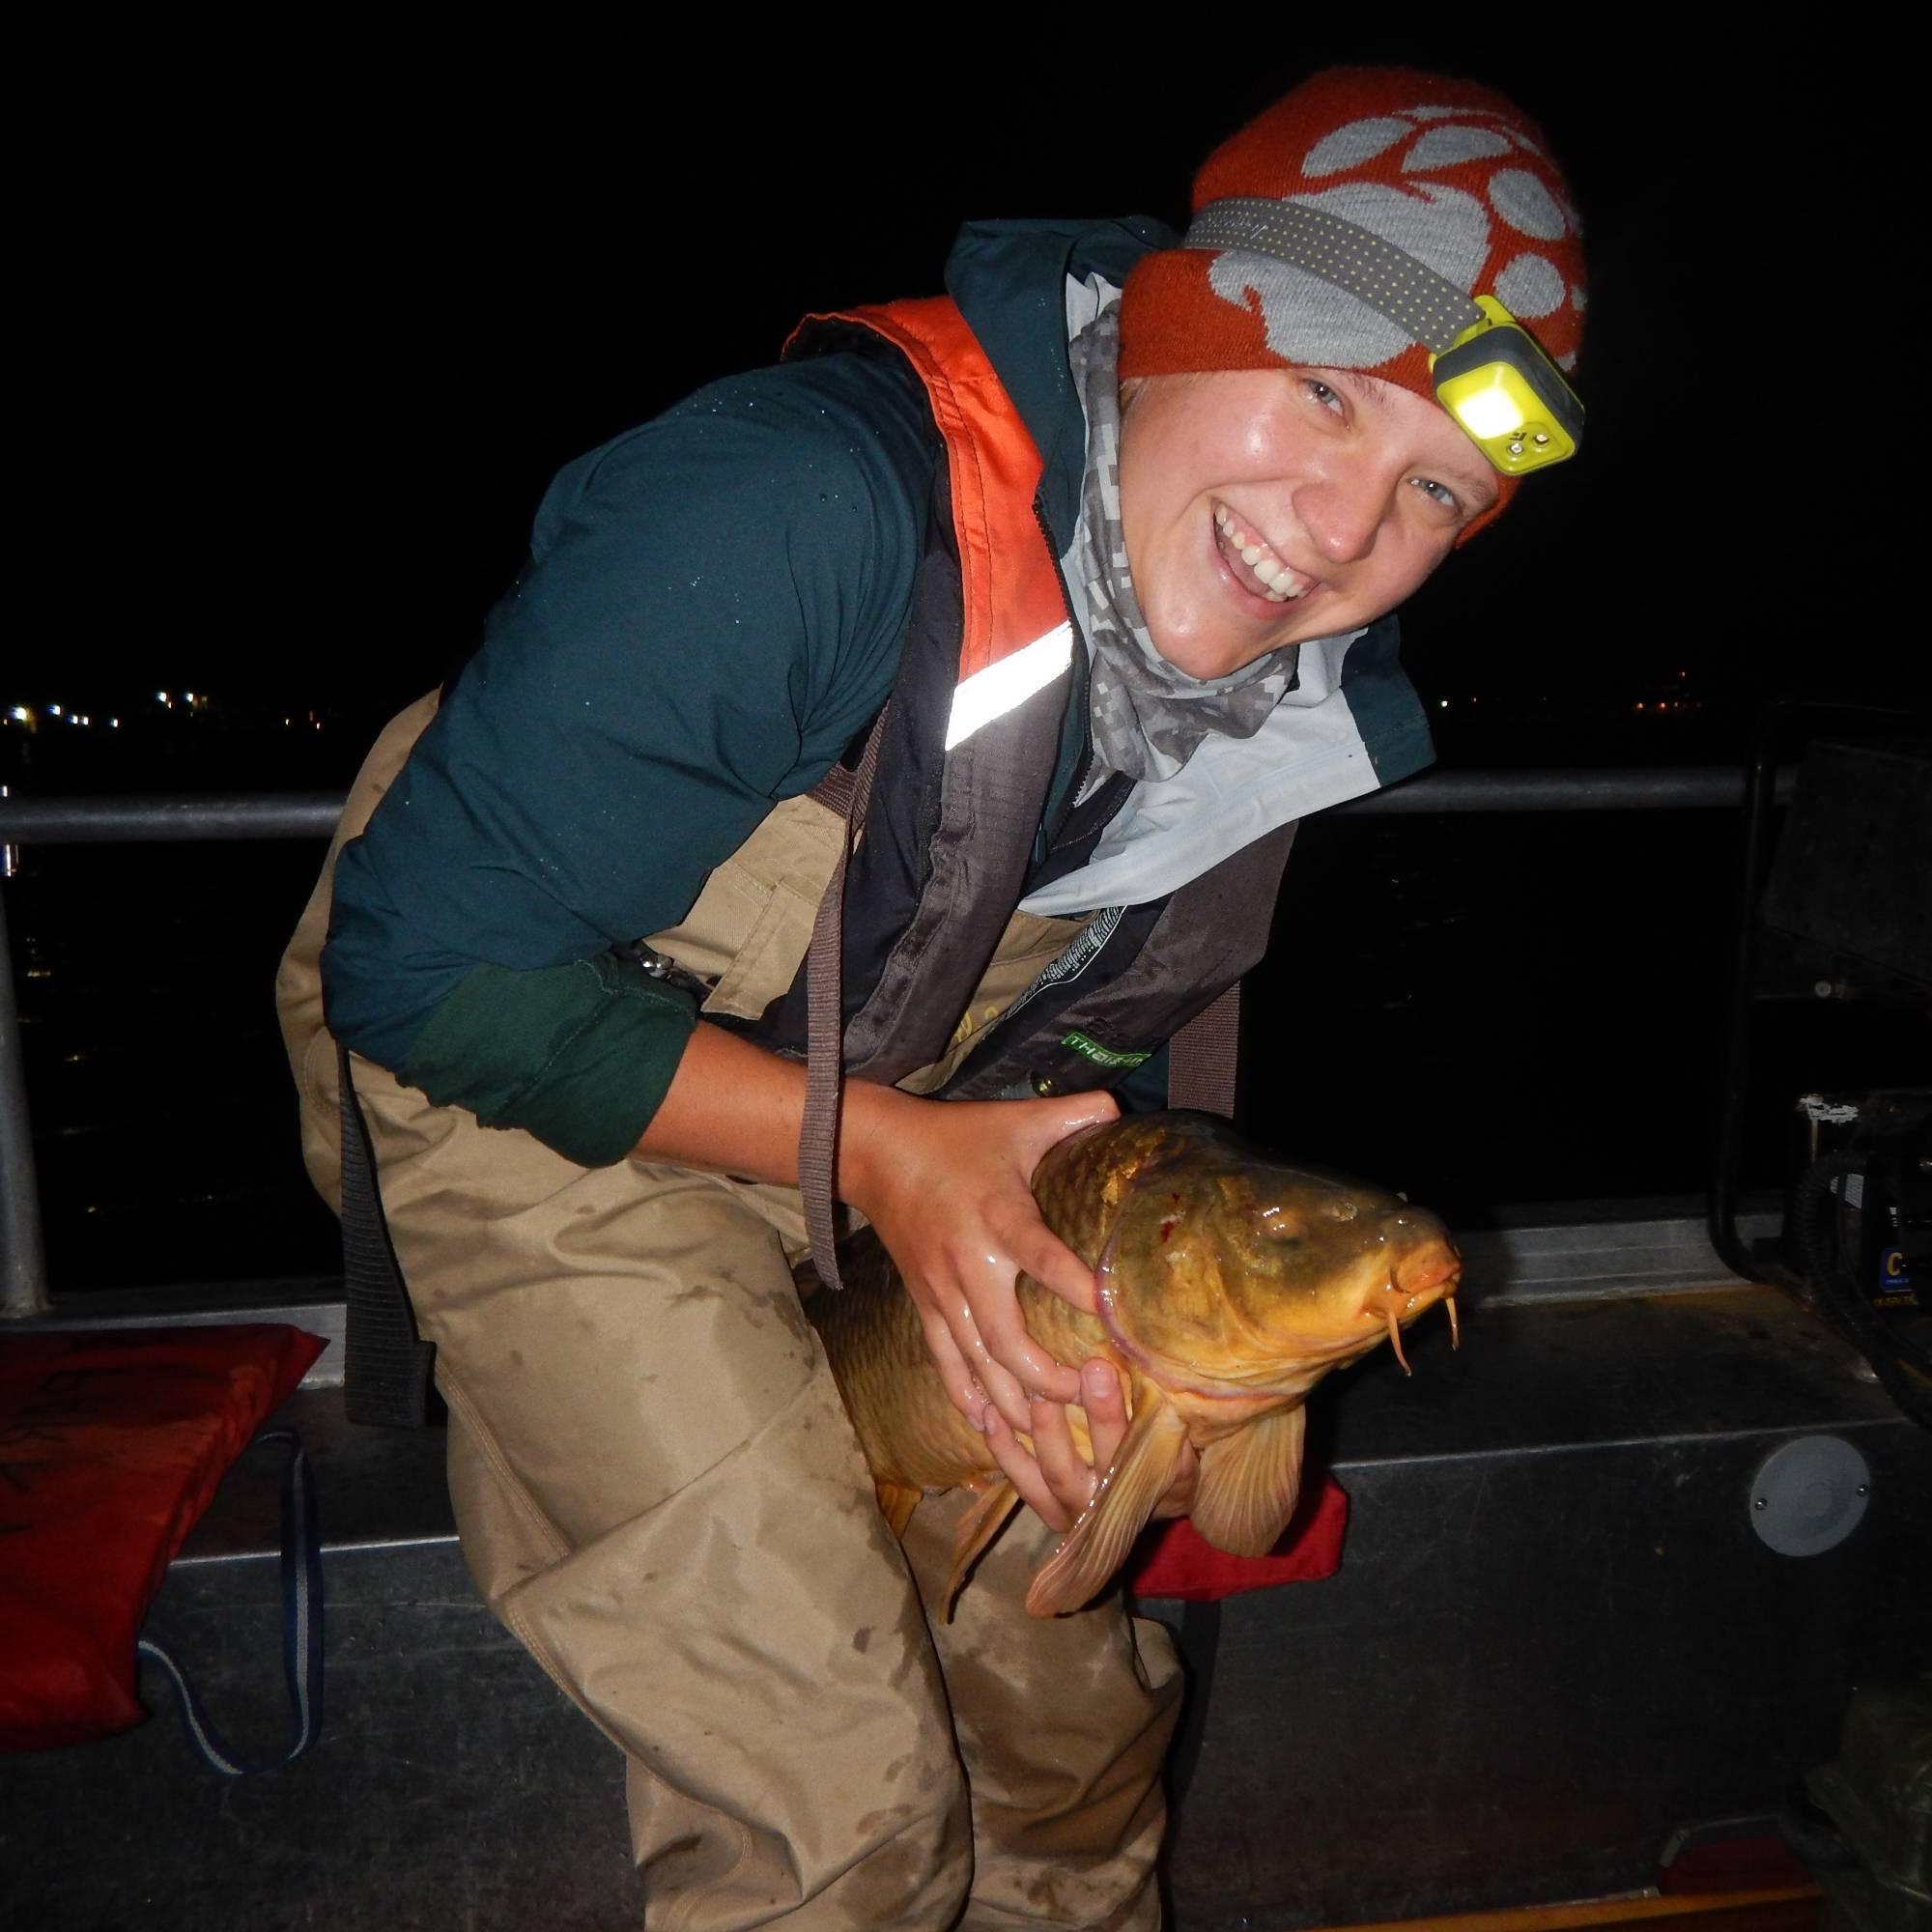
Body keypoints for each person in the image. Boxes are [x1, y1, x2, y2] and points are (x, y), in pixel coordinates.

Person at [276, 64, 1586, 1931]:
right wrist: (880, 1152)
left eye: (1435, 489)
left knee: (1068, 1728)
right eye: (1322, 392)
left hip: (879, 1113)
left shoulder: (1277, 728)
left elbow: (1088, 1058)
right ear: (1188, 316)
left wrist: (1120, 1323)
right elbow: (424, 969)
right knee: (844, 1795)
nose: (1341, 526)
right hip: (515, 1055)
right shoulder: (804, 499)